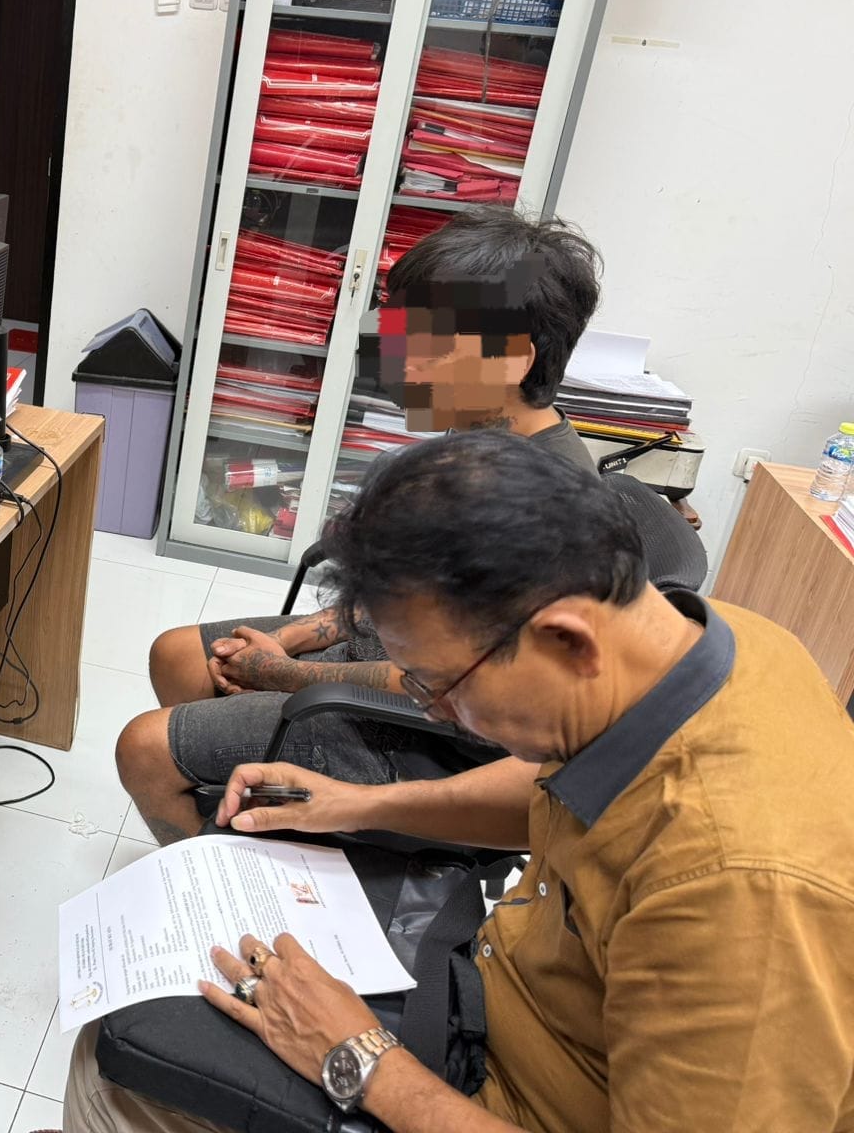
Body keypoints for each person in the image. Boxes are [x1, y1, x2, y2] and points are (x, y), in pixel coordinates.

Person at [68, 431, 854, 1132]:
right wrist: (357, 802)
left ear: (566, 641)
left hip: (503, 1096)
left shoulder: (744, 895)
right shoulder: (708, 647)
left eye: (441, 683)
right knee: (161, 1011)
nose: (439, 709)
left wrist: (363, 1060)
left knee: (114, 1067)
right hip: (492, 991)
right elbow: (551, 792)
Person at [119, 207, 603, 844]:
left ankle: (213, 885)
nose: (401, 361)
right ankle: (241, 828)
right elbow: (396, 605)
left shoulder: (532, 509)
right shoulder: (481, 441)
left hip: (437, 736)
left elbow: (451, 687)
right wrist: (295, 637)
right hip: (395, 661)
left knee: (144, 749)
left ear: (513, 359)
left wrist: (292, 677)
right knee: (180, 655)